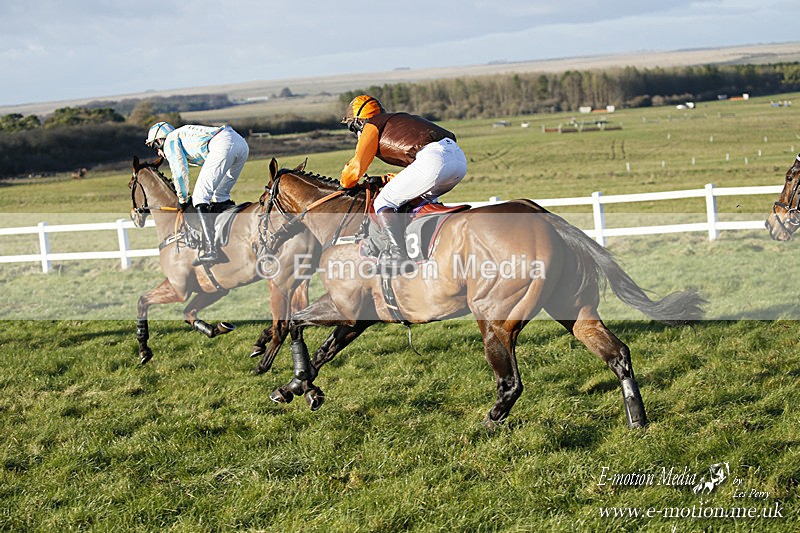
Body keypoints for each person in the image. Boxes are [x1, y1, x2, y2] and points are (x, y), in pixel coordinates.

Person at [339, 95, 467, 268]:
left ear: (359, 122)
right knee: (416, 202)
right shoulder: (397, 120)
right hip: (458, 160)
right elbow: (416, 172)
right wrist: (385, 179)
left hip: (434, 160)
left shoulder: (372, 125)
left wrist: (344, 184)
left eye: (352, 128)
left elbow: (356, 166)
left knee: (383, 202)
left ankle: (398, 254)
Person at [145, 122, 249, 265]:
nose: (158, 152)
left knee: (200, 198)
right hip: (240, 143)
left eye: (155, 147)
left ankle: (211, 250)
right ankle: (233, 237)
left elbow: (180, 173)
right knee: (220, 196)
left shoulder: (170, 141)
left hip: (223, 144)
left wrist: (182, 199)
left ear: (159, 140)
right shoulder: (181, 135)